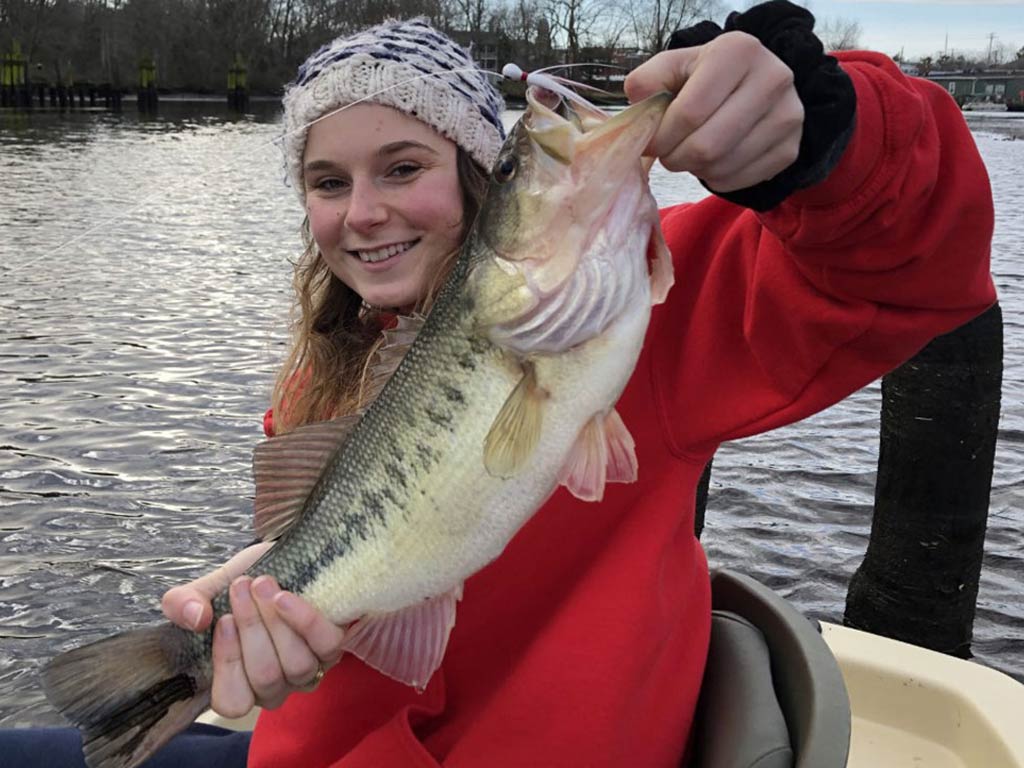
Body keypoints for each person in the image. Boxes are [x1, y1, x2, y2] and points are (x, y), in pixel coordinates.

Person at [14, 2, 997, 765]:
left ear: (480, 181)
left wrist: (826, 137)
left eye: (403, 166)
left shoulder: (643, 320)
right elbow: (344, 546)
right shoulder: (323, 369)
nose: (364, 213)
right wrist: (247, 613)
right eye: (328, 181)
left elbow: (906, 262)